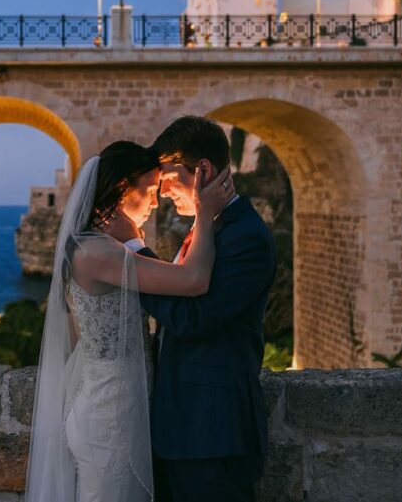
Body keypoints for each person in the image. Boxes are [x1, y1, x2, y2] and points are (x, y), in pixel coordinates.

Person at [26, 140, 234, 502]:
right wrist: (204, 213)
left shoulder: (98, 246)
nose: (155, 203)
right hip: (110, 415)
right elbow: (193, 281)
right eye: (151, 191)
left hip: (111, 402)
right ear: (123, 188)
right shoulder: (98, 253)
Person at [127, 116, 277, 502]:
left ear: (203, 170)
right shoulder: (210, 228)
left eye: (167, 177)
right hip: (184, 428)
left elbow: (192, 319)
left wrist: (131, 257)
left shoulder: (247, 239)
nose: (160, 192)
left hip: (213, 434)